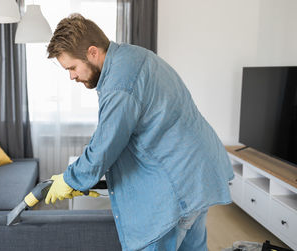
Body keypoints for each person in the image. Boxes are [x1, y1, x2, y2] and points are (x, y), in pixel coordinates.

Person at [44, 13, 234, 251]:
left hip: (178, 181)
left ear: (93, 52)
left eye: (72, 67)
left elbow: (105, 145)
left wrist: (71, 178)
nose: (72, 76)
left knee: (155, 241)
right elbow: (113, 131)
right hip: (197, 173)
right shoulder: (131, 56)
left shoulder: (120, 84)